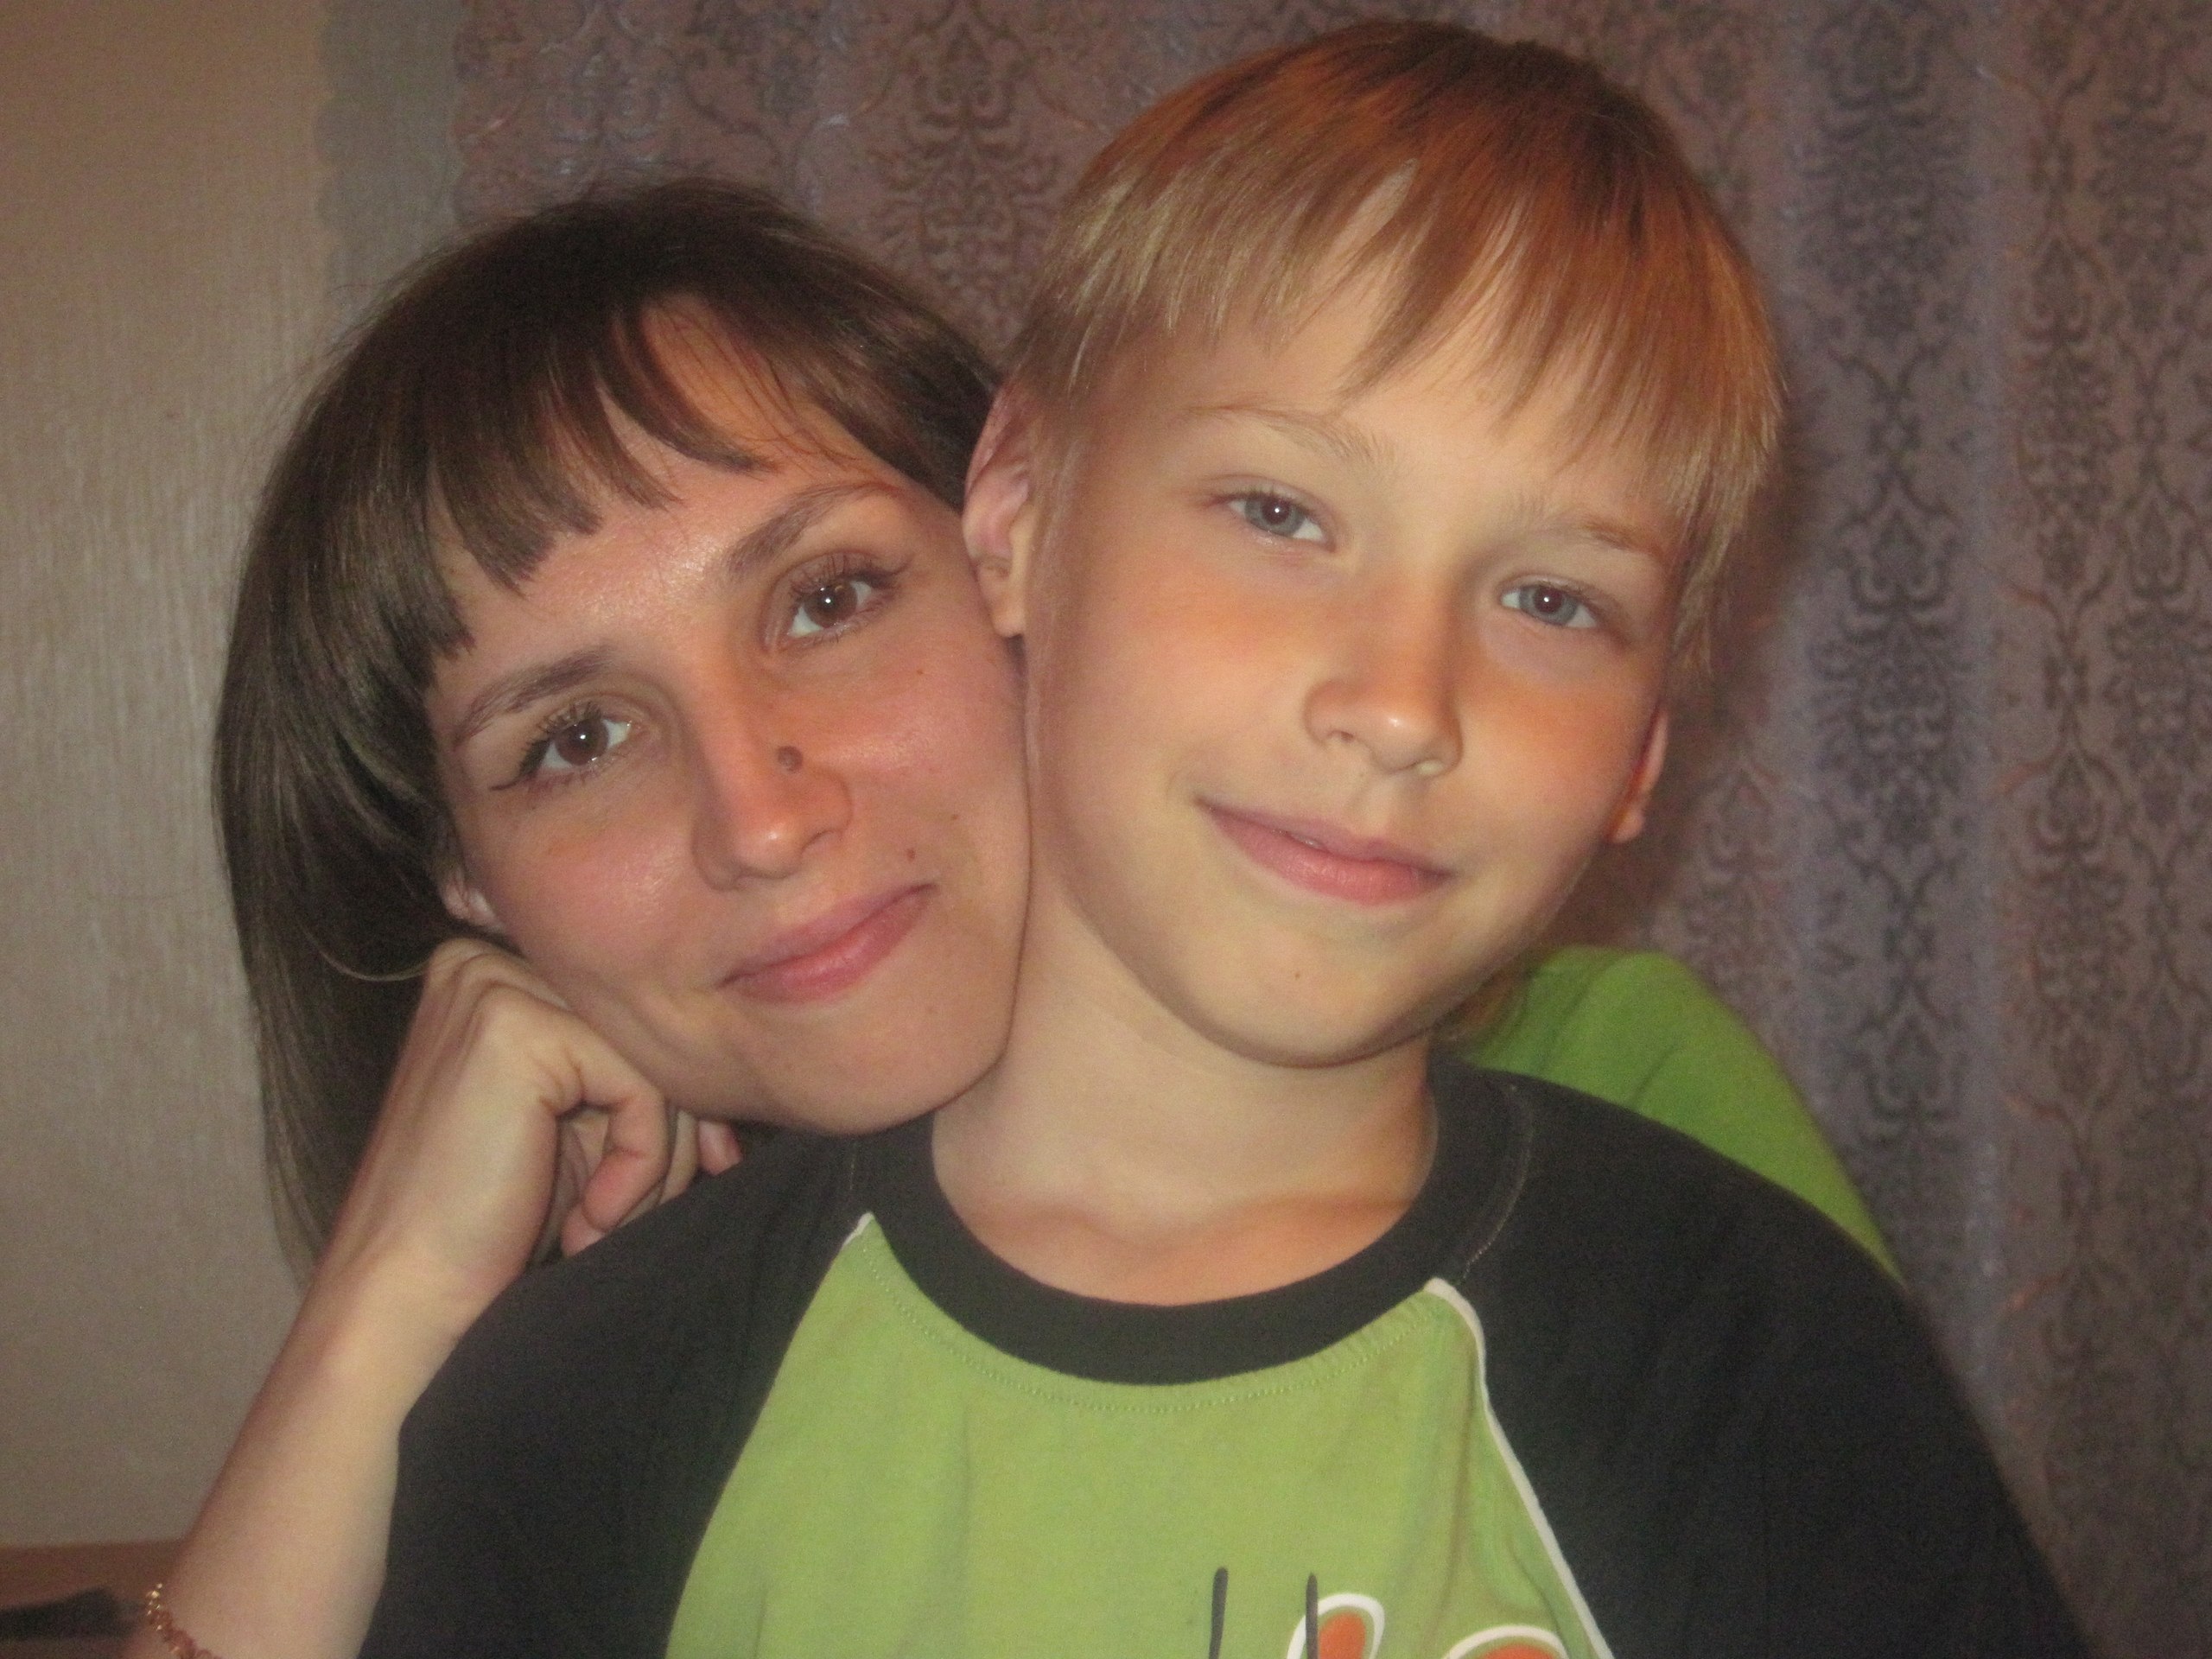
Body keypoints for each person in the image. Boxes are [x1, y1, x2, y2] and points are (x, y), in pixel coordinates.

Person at [359, 23, 2079, 1659]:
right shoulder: (586, 1411)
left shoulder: (1748, 1361)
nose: (1400, 704)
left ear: (1640, 754)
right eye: (1278, 512)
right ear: (1015, 515)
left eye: (1553, 600)